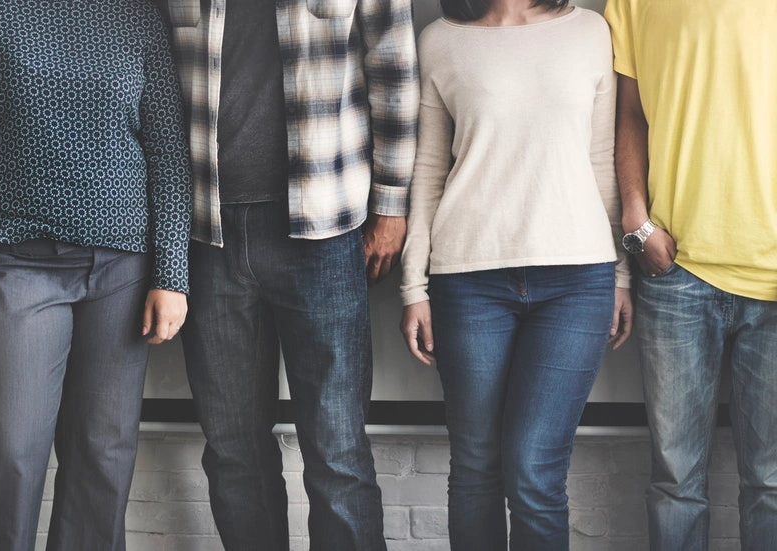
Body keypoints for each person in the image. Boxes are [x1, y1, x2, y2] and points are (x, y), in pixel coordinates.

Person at [0, 0, 192, 548]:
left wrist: (172, 273)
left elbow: (168, 152)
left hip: (123, 266)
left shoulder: (138, 15)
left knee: (104, 451)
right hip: (16, 261)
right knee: (14, 449)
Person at [154, 0, 418, 548]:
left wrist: (392, 206)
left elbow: (394, 69)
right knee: (232, 451)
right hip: (207, 235)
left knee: (336, 451)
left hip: (321, 233)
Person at [399, 0, 633, 548]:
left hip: (577, 281)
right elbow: (428, 171)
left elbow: (603, 161)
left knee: (534, 470)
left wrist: (622, 274)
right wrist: (413, 287)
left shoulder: (590, 32)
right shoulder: (440, 40)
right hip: (467, 279)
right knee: (477, 465)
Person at [604, 1, 777, 549]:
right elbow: (627, 111)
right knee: (676, 481)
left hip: (774, 276)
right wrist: (635, 214)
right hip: (674, 268)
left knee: (771, 481)